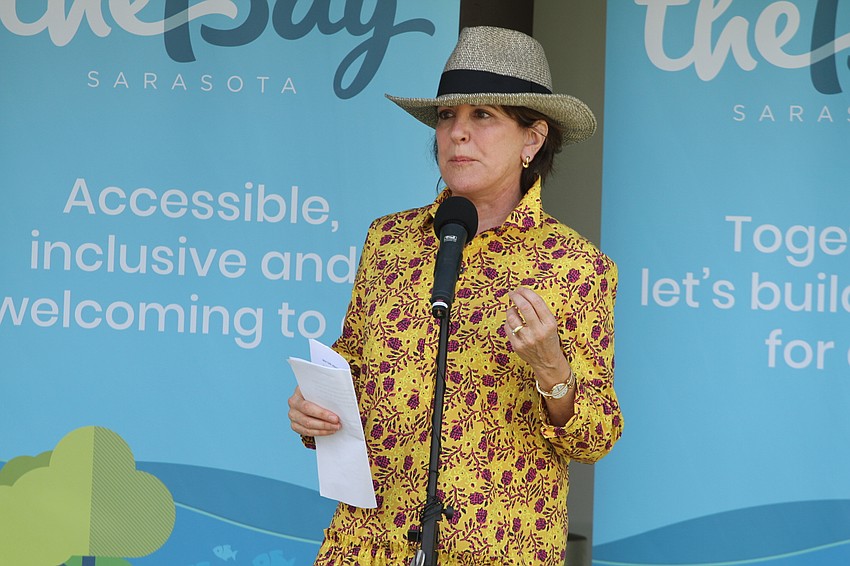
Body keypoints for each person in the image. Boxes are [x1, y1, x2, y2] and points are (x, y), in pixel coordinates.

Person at [288, 26, 623, 565]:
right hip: (370, 544)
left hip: (495, 546)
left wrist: (551, 367)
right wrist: (314, 412)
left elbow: (594, 438)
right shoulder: (388, 240)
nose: (457, 134)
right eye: (448, 116)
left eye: (482, 116)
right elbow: (348, 370)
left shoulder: (576, 266)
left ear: (532, 139)